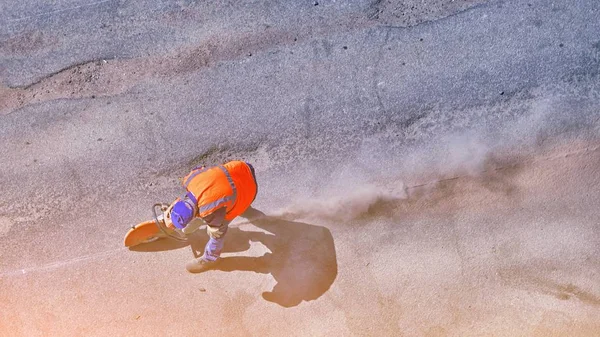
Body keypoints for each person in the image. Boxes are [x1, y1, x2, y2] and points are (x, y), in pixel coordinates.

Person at [165, 160, 258, 273]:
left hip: (249, 189)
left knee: (218, 233)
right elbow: (201, 168)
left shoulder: (210, 210)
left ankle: (211, 259)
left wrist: (212, 228)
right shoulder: (190, 180)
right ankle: (239, 203)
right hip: (241, 168)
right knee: (225, 197)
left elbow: (215, 226)